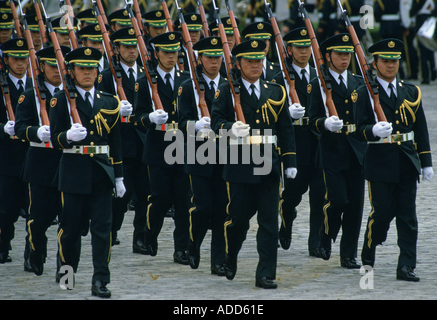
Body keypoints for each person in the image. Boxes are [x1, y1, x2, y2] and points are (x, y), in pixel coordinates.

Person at [211, 39, 297, 289]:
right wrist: (229, 128)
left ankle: (265, 273)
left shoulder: (276, 90)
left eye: (259, 60)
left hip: (268, 164)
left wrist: (290, 160)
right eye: (250, 61)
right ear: (238, 64)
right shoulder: (227, 91)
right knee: (237, 220)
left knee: (269, 222)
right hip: (238, 165)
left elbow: (285, 129)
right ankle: (230, 254)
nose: (256, 65)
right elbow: (215, 122)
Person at [49, 47, 125, 298]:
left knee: (103, 231)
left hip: (102, 173)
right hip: (73, 172)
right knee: (70, 229)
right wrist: (67, 137)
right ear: (71, 71)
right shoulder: (61, 100)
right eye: (82, 68)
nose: (88, 73)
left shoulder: (109, 101)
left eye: (92, 68)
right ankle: (67, 273)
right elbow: (55, 138)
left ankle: (101, 280)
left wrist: (120, 175)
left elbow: (115, 143)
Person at [355, 38, 433, 281]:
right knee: (381, 214)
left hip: (406, 161)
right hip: (380, 161)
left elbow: (420, 129)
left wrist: (426, 161)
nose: (391, 66)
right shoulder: (363, 92)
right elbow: (358, 129)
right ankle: (368, 252)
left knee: (408, 217)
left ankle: (406, 265)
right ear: (375, 63)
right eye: (386, 61)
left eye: (395, 61)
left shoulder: (411, 91)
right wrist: (372, 131)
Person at [308, 33, 366, 269]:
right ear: (328, 56)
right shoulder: (318, 84)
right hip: (331, 150)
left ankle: (348, 254)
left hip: (356, 150)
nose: (344, 58)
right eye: (340, 54)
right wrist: (324, 124)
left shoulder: (358, 82)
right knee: (338, 200)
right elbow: (312, 120)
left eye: (348, 54)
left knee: (355, 206)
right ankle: (326, 233)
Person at [135, 31, 191, 264]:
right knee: (160, 198)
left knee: (183, 201)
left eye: (175, 52)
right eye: (166, 52)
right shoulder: (144, 81)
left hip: (183, 144)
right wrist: (150, 118)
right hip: (158, 146)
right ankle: (149, 233)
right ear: (156, 53)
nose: (171, 57)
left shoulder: (187, 79)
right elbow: (137, 118)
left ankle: (181, 249)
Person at [14, 45, 70, 275]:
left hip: (66, 163)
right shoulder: (29, 95)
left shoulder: (72, 94)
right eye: (51, 66)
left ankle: (65, 266)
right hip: (40, 162)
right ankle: (34, 254)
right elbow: (20, 127)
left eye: (60, 65)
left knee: (68, 222)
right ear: (42, 67)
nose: (56, 70)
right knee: (38, 219)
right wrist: (36, 132)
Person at [178, 36, 228, 275]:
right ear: (199, 59)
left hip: (226, 155)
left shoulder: (230, 85)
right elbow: (179, 123)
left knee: (222, 211)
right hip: (198, 156)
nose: (214, 62)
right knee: (203, 208)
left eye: (218, 57)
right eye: (209, 57)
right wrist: (195, 125)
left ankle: (218, 261)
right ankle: (193, 243)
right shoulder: (188, 86)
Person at [97, 26, 150, 252]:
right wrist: (117, 110)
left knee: (146, 194)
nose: (131, 51)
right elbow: (99, 107)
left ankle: (140, 238)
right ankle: (112, 230)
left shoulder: (147, 73)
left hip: (144, 142)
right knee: (120, 196)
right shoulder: (107, 77)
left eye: (134, 47)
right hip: (122, 143)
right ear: (116, 49)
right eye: (126, 47)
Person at [274, 27, 325, 257]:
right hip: (294, 144)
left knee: (319, 195)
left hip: (318, 143)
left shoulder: (320, 75)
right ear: (289, 49)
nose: (304, 51)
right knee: (293, 193)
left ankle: (316, 243)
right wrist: (286, 112)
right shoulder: (278, 78)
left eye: (307, 47)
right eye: (299, 47)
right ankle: (286, 216)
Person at [0, 38, 32, 263]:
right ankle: (3, 246)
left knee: (35, 212)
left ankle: (33, 254)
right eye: (15, 59)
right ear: (6, 60)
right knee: (6, 210)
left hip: (33, 157)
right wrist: (2, 128)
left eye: (24, 59)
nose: (20, 64)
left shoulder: (36, 85)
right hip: (7, 157)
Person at [410, 0, 437, 84]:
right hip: (432, 23)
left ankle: (425, 77)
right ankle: (433, 72)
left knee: (423, 53)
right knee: (431, 49)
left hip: (422, 22)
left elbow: (412, 11)